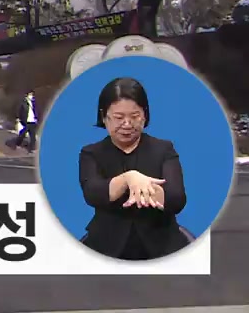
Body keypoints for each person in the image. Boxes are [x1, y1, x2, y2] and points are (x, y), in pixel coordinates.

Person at [78, 77, 190, 260]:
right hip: (105, 246)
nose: (127, 124)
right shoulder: (91, 153)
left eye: (135, 116)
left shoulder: (164, 149)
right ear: (104, 117)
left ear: (144, 115)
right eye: (119, 117)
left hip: (163, 245)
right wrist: (129, 178)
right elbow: (93, 193)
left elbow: (176, 199)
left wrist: (141, 187)